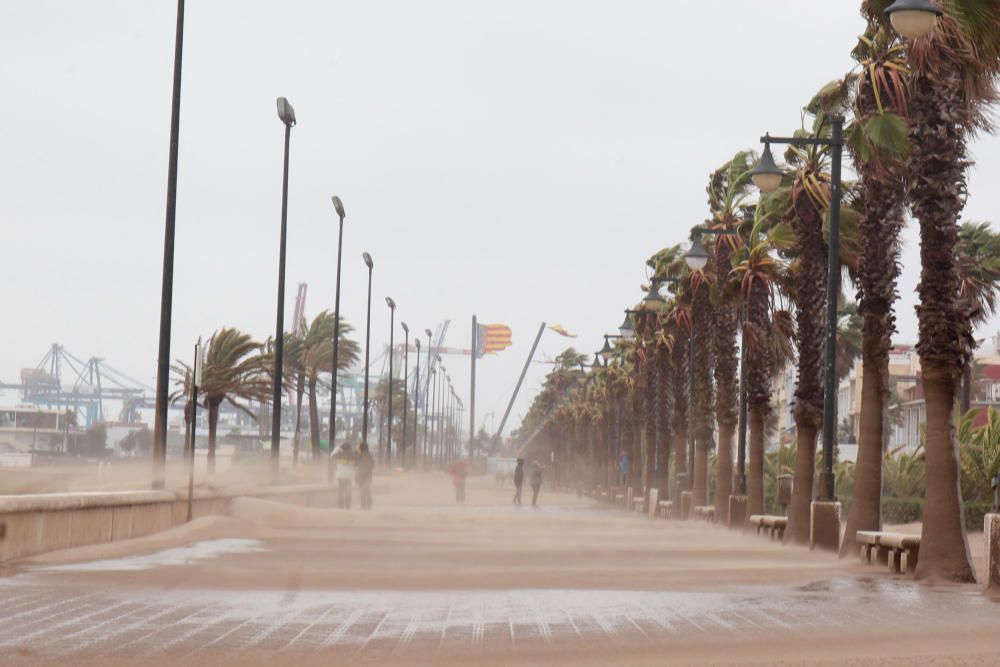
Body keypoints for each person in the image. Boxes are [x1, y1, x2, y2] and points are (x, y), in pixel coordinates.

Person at [333, 443, 356, 509]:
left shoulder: (338, 455)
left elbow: (331, 455)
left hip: (340, 476)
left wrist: (337, 447)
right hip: (349, 476)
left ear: (342, 448)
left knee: (340, 491)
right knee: (348, 491)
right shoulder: (353, 456)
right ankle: (348, 505)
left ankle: (340, 505)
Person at [355, 441, 375, 510]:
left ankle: (363, 505)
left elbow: (356, 463)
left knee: (362, 490)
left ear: (360, 448)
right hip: (368, 475)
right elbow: (372, 464)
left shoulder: (360, 455)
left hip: (361, 475)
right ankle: (369, 503)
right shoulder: (370, 455)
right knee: (367, 489)